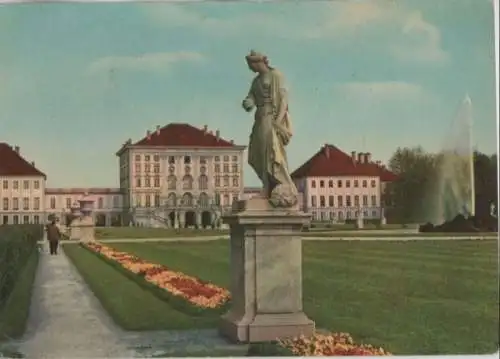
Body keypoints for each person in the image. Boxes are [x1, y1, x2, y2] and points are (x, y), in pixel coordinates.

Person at [242, 50, 298, 208]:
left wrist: (278, 121)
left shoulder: (276, 75)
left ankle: (269, 188)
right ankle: (267, 186)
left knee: (270, 153)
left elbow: (283, 99)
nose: (250, 68)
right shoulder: (256, 81)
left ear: (258, 62)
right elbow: (252, 96)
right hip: (260, 117)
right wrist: (248, 102)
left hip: (271, 118)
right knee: (256, 153)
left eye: (250, 64)